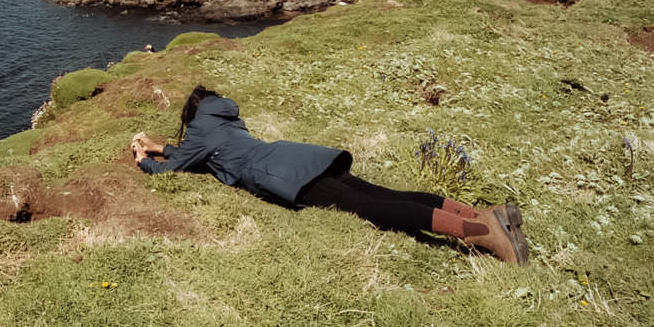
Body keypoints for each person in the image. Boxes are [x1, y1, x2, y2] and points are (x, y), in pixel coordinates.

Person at [132, 86, 528, 264]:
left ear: (191, 114)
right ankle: (480, 213)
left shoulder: (201, 128)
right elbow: (200, 154)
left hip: (283, 175)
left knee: (374, 210)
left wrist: (143, 160)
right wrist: (161, 146)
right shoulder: (223, 119)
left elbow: (181, 167)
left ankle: (487, 236)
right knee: (386, 193)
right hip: (299, 155)